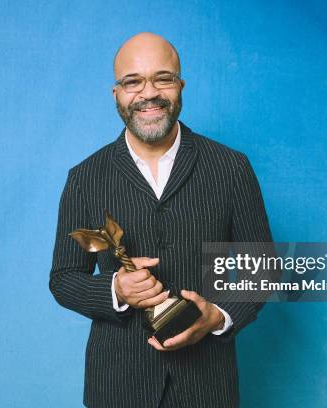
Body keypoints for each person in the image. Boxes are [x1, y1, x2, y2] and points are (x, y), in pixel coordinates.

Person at [49, 32, 273, 408]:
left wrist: (217, 317)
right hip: (116, 387)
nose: (148, 93)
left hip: (208, 387)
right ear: (117, 93)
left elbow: (263, 270)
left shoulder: (231, 167)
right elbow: (64, 279)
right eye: (133, 82)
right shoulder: (84, 177)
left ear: (180, 85)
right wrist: (116, 290)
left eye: (162, 78)